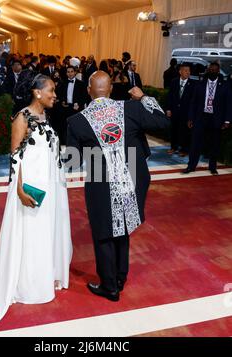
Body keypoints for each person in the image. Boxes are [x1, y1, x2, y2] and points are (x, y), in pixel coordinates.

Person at [0, 73, 73, 323]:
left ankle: (43, 276)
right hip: (30, 188)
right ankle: (29, 286)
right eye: (51, 90)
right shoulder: (21, 117)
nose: (54, 95)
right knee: (31, 234)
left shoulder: (45, 115)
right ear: (37, 92)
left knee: (44, 233)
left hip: (49, 186)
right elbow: (15, 157)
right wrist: (19, 190)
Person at [66, 71, 169, 302]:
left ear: (89, 91)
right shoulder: (131, 108)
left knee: (103, 233)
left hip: (101, 180)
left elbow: (72, 162)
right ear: (111, 89)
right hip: (133, 177)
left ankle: (110, 286)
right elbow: (163, 121)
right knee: (122, 225)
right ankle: (121, 277)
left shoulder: (76, 121)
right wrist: (143, 97)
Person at [183, 62, 231, 175]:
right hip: (201, 117)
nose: (213, 72)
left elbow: (229, 104)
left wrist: (227, 120)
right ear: (207, 70)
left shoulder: (225, 85)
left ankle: (212, 167)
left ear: (218, 72)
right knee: (195, 143)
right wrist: (190, 118)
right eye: (211, 70)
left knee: (214, 144)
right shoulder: (199, 84)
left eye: (215, 70)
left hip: (216, 119)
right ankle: (191, 166)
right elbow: (193, 102)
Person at [166, 63, 196, 156]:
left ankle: (184, 150)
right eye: (186, 70)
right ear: (180, 71)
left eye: (189, 71)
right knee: (174, 130)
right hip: (174, 111)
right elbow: (170, 96)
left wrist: (191, 115)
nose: (188, 72)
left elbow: (193, 101)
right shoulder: (174, 82)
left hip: (186, 113)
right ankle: (173, 147)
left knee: (185, 132)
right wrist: (168, 109)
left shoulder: (193, 84)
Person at [56, 65, 88, 144]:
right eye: (68, 72)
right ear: (66, 73)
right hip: (65, 108)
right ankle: (65, 142)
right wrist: (62, 101)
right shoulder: (63, 83)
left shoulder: (81, 84)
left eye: (72, 71)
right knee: (65, 126)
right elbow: (60, 95)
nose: (70, 73)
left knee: (76, 126)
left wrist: (79, 104)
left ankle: (76, 143)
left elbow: (84, 97)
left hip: (76, 109)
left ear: (75, 72)